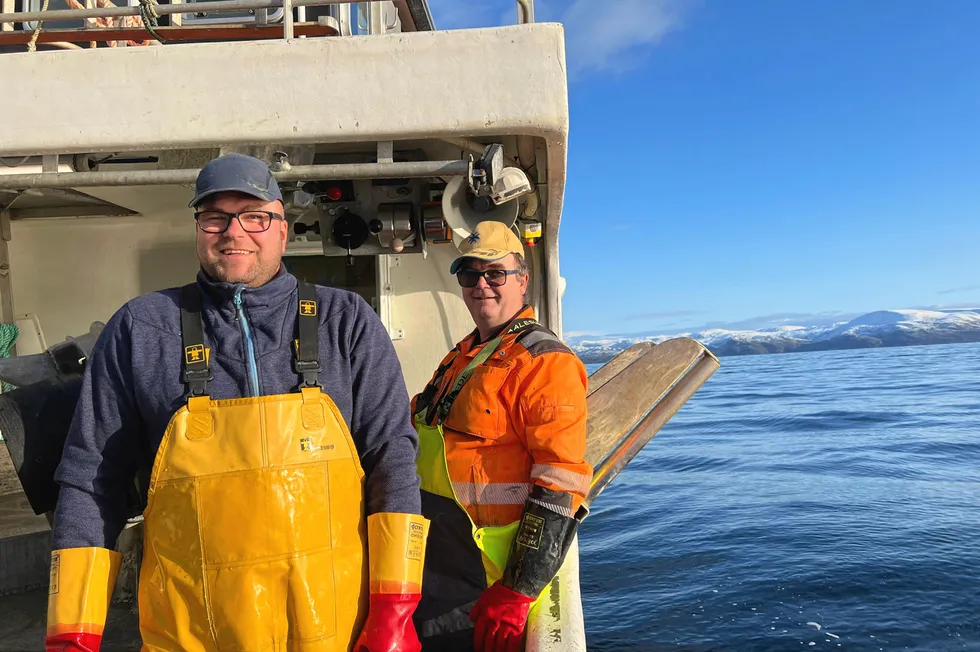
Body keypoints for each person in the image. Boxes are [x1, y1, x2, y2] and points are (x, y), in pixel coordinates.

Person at [46, 153, 429, 652]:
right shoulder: (141, 328)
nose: (234, 232)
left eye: (255, 216)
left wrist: (394, 611)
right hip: (189, 636)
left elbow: (393, 462)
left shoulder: (347, 320)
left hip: (336, 630)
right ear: (198, 228)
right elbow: (90, 478)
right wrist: (72, 632)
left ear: (282, 230)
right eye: (214, 217)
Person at [410, 220, 592, 652]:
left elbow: (562, 485)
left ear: (522, 280)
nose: (481, 285)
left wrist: (517, 589)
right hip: (437, 559)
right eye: (470, 274)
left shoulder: (546, 363)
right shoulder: (464, 354)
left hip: (487, 573)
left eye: (496, 273)